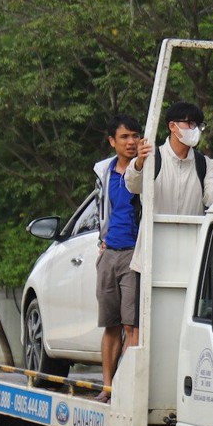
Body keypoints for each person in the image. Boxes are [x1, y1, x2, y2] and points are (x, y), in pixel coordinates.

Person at [93, 114, 144, 397]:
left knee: (131, 325)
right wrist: (101, 246)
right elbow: (102, 212)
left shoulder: (146, 169)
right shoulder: (105, 172)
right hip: (109, 253)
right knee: (110, 324)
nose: (131, 142)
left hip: (134, 255)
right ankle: (108, 386)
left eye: (135, 136)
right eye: (124, 137)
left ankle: (125, 388)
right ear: (112, 141)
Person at [128, 100, 213, 217]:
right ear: (172, 126)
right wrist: (138, 164)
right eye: (191, 123)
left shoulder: (204, 164)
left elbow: (212, 200)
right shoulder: (152, 159)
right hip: (156, 234)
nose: (196, 130)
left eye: (199, 126)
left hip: (192, 234)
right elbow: (133, 186)